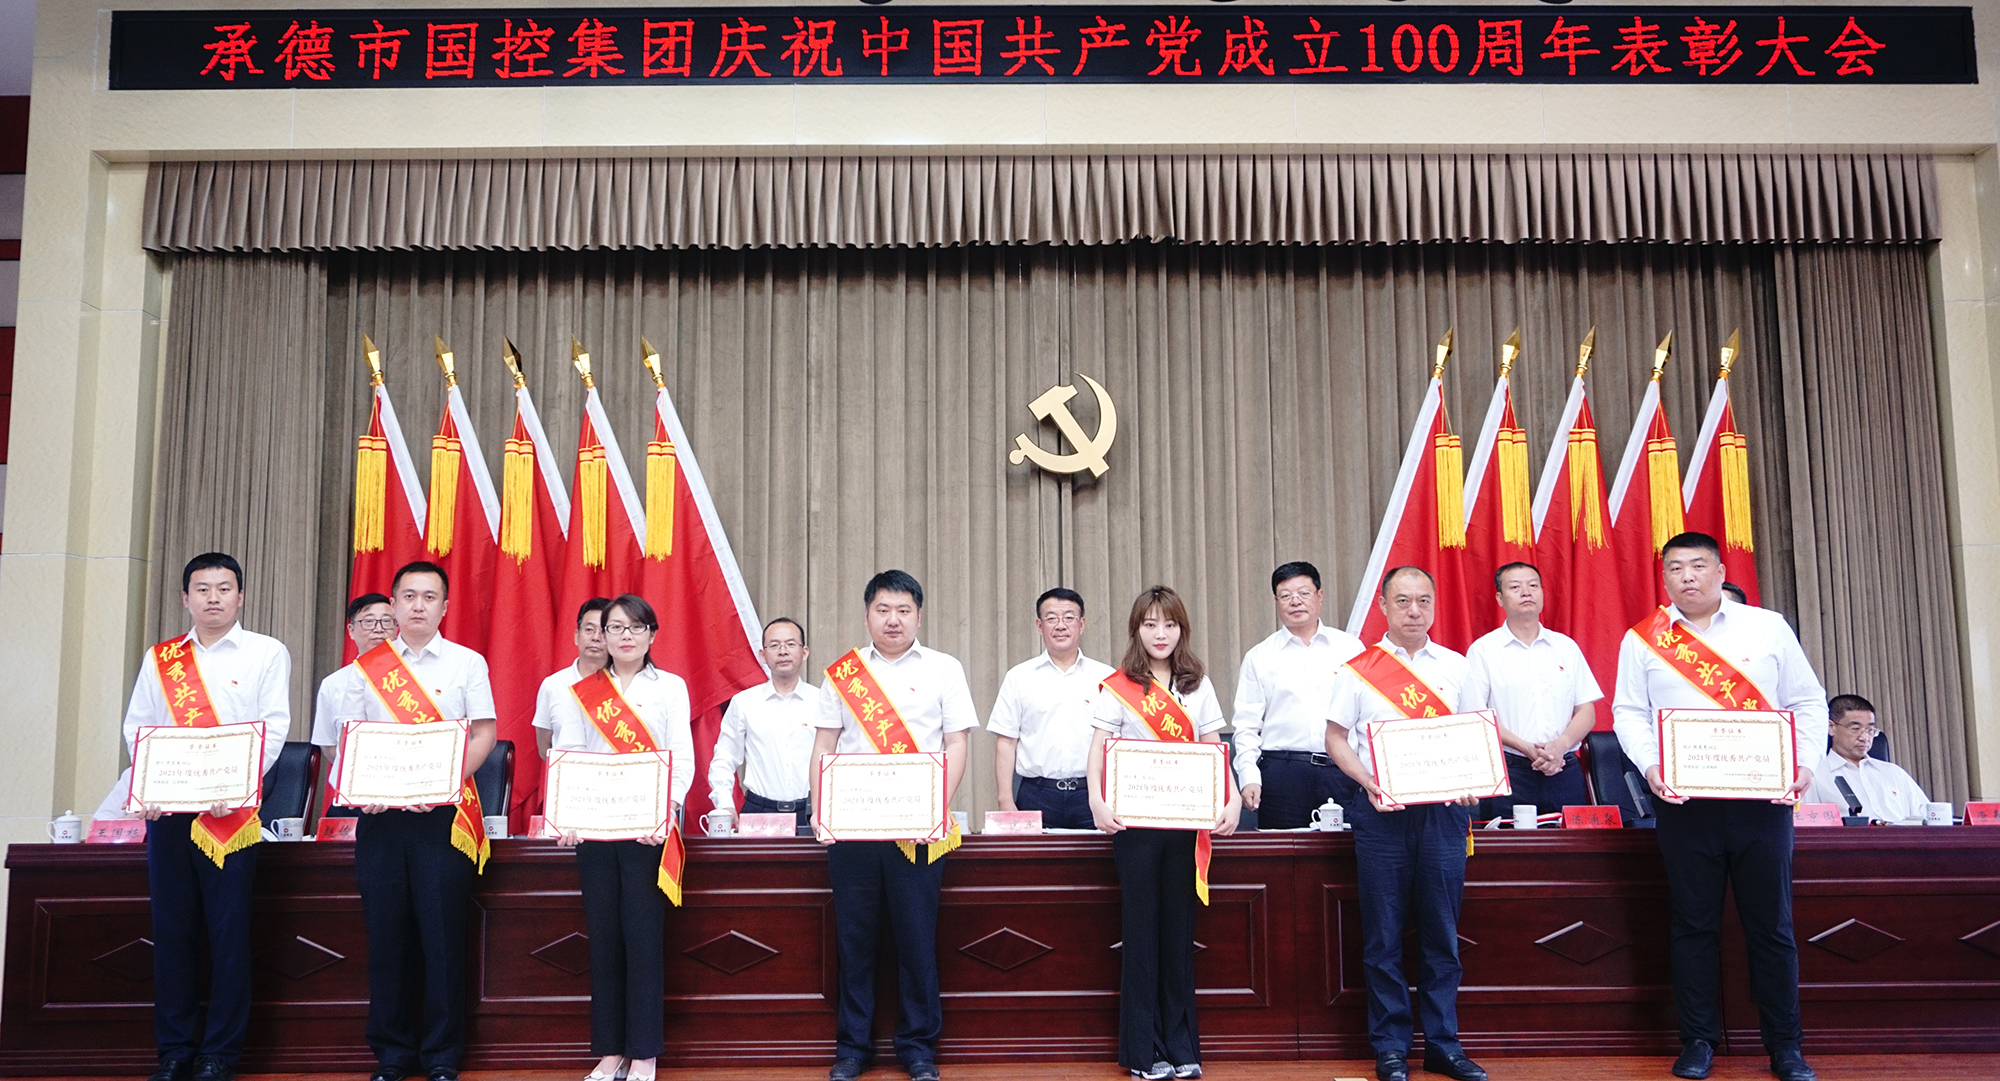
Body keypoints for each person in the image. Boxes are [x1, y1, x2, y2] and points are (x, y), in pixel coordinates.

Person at [1612, 532, 1827, 1081]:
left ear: (1720, 571)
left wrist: (1805, 766)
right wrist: (1651, 766)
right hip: (1686, 803)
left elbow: (1807, 701)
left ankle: (1785, 1046)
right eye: (1675, 568)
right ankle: (1698, 1040)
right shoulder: (1643, 639)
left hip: (1762, 801)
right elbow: (1629, 712)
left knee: (1771, 926)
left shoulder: (1767, 627)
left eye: (1697, 565)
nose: (1686, 576)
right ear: (1664, 577)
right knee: (1693, 925)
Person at [125, 553, 291, 1081]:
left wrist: (237, 785)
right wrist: (148, 784)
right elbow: (138, 728)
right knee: (172, 932)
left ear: (240, 596)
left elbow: (274, 728)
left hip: (230, 816)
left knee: (228, 933)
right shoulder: (162, 659)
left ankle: (220, 1053)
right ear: (185, 598)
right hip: (170, 814)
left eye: (223, 588)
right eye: (202, 588)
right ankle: (174, 1050)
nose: (213, 597)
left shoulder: (267, 652)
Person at [809, 571, 976, 1081]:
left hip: (918, 831)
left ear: (918, 616)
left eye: (903, 610)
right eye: (883, 610)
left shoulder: (944, 669)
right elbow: (824, 744)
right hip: (854, 829)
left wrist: (935, 807)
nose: (893, 620)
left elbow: (957, 743)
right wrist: (820, 809)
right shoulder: (845, 673)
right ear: (867, 616)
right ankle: (852, 1049)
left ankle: (918, 1048)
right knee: (854, 941)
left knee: (916, 941)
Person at [1324, 566, 1486, 1081]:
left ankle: (1443, 1044)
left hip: (1444, 815)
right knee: (1384, 936)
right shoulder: (1359, 669)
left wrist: (1472, 779)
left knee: (1442, 934)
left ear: (1434, 605)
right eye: (1403, 601)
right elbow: (1335, 738)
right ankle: (1390, 1047)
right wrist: (1368, 782)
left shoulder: (1458, 666)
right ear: (1383, 606)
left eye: (1423, 601)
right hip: (1381, 815)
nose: (1414, 611)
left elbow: (1475, 735)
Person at [339, 560, 498, 1081]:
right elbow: (350, 737)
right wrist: (363, 788)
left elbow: (484, 733)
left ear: (445, 607)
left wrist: (445, 781)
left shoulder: (466, 663)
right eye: (408, 596)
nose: (418, 606)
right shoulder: (368, 668)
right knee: (386, 937)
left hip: (443, 818)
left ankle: (442, 1054)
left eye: (429, 597)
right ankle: (392, 1053)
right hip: (382, 819)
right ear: (393, 604)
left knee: (443, 937)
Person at [1087, 586, 1240, 1081]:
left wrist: (1233, 798)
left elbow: (1215, 748)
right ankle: (1144, 1051)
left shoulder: (1198, 684)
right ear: (1137, 629)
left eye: (1169, 624)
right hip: (1134, 825)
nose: (1160, 633)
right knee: (1141, 934)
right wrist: (1097, 800)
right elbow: (1099, 749)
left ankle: (1179, 1044)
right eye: (1150, 624)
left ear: (1181, 630)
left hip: (1185, 823)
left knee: (1178, 934)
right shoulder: (1119, 685)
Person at [544, 595, 694, 1081]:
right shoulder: (583, 691)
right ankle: (610, 1051)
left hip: (647, 834)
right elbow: (568, 752)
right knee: (604, 941)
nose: (625, 636)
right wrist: (565, 815)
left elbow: (682, 757)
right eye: (615, 627)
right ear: (601, 636)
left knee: (644, 940)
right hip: (594, 832)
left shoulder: (670, 687)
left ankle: (644, 1052)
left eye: (635, 627)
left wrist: (665, 813)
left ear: (652, 634)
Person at [1459, 562, 1602, 819]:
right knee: (1508, 843)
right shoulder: (1483, 651)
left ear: (1542, 593)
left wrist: (1560, 746)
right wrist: (1525, 747)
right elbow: (1477, 717)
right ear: (1500, 599)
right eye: (1515, 587)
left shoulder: (1566, 647)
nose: (1526, 592)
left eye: (1533, 585)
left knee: (1572, 844)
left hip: (1563, 769)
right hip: (1510, 770)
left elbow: (1586, 711)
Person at [1232, 561, 1366, 829]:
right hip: (1283, 775)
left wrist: (1369, 775)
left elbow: (1366, 716)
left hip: (1342, 772)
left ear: (1320, 595)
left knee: (1346, 852)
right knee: (1282, 852)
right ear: (1276, 601)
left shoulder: (1351, 649)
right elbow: (1246, 726)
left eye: (1304, 593)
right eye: (1286, 595)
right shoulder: (1259, 656)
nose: (1295, 601)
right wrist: (1249, 776)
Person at [990, 587, 1115, 830]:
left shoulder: (1107, 677)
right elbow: (1006, 741)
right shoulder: (1019, 677)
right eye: (1051, 618)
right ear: (1039, 625)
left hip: (1092, 795)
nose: (1060, 626)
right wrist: (1005, 800)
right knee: (1033, 857)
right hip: (1036, 794)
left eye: (1069, 617)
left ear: (1082, 624)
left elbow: (1116, 741)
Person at [707, 617, 819, 833]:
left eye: (790, 644)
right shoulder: (744, 702)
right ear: (762, 655)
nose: (783, 652)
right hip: (759, 812)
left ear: (804, 652)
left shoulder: (822, 701)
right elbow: (724, 758)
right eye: (774, 645)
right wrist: (724, 804)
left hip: (810, 813)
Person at [310, 593, 396, 818]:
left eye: (387, 621)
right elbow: (329, 747)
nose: (379, 629)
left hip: (405, 797)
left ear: (397, 628)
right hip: (353, 797)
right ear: (351, 630)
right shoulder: (333, 684)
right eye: (368, 621)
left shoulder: (415, 681)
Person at [1806, 694, 1930, 822]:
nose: (1865, 737)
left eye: (1870, 730)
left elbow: (1928, 818)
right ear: (1831, 728)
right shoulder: (1814, 775)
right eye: (1855, 729)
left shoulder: (1894, 773)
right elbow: (1805, 824)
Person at [533, 598, 614, 762]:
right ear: (577, 636)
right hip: (569, 777)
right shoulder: (553, 685)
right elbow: (545, 747)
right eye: (589, 630)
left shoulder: (628, 684)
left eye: (603, 631)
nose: (596, 637)